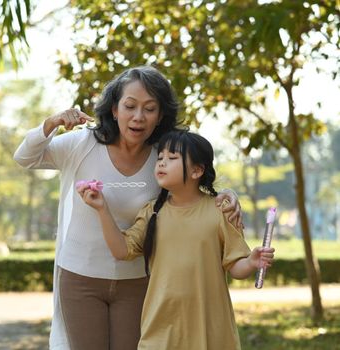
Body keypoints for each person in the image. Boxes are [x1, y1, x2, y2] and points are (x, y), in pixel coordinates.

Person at [13, 66, 243, 350]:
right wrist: (50, 124)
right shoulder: (81, 143)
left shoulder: (163, 155)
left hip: (138, 280)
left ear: (160, 116)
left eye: (149, 108)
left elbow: (193, 188)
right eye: (130, 106)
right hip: (80, 276)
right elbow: (25, 157)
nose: (138, 117)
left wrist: (228, 194)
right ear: (114, 109)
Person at [78, 129, 275, 349]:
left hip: (210, 330)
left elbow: (235, 266)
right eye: (160, 157)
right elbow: (121, 250)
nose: (161, 163)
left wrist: (251, 262)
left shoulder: (220, 210)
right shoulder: (152, 212)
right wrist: (102, 209)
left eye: (172, 158)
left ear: (197, 170)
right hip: (160, 330)